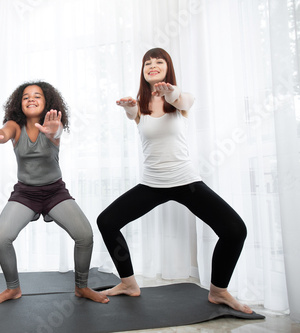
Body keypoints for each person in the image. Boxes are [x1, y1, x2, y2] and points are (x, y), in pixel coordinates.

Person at [97, 48, 253, 314]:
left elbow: (180, 100)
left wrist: (170, 92)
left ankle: (218, 291)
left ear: (168, 68)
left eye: (159, 62)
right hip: (151, 184)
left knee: (235, 230)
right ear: (142, 71)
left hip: (186, 182)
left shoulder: (182, 99)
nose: (153, 65)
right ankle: (128, 283)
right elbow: (133, 114)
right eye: (148, 62)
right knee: (107, 222)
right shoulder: (140, 105)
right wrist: (130, 107)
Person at [0, 81, 109, 305]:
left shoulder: (53, 125)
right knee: (0, 237)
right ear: (19, 103)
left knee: (84, 236)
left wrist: (55, 130)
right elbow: (3, 133)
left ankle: (82, 287)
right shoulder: (15, 125)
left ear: (47, 102)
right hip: (25, 194)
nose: (31, 99)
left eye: (37, 96)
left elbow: (56, 131)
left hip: (55, 192)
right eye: (26, 97)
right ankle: (12, 289)